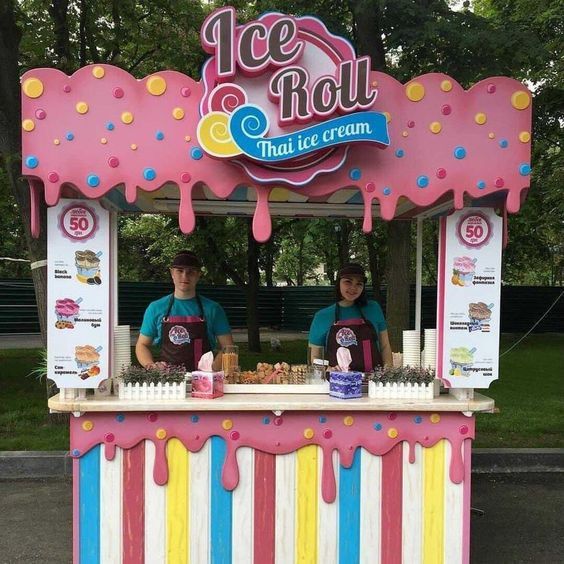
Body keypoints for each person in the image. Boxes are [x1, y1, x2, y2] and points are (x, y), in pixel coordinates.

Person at [135, 250, 234, 371]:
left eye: (191, 272)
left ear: (198, 275)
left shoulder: (213, 309)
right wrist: (151, 366)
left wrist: (211, 371)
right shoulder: (155, 308)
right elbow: (142, 345)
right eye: (180, 271)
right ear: (172, 273)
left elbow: (228, 347)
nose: (185, 276)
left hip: (204, 382)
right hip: (168, 381)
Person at [308, 263, 392, 372]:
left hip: (372, 383)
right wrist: (328, 370)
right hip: (337, 384)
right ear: (338, 283)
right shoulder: (322, 316)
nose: (353, 288)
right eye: (348, 281)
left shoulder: (373, 309)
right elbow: (314, 358)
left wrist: (387, 374)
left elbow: (385, 346)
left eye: (359, 284)